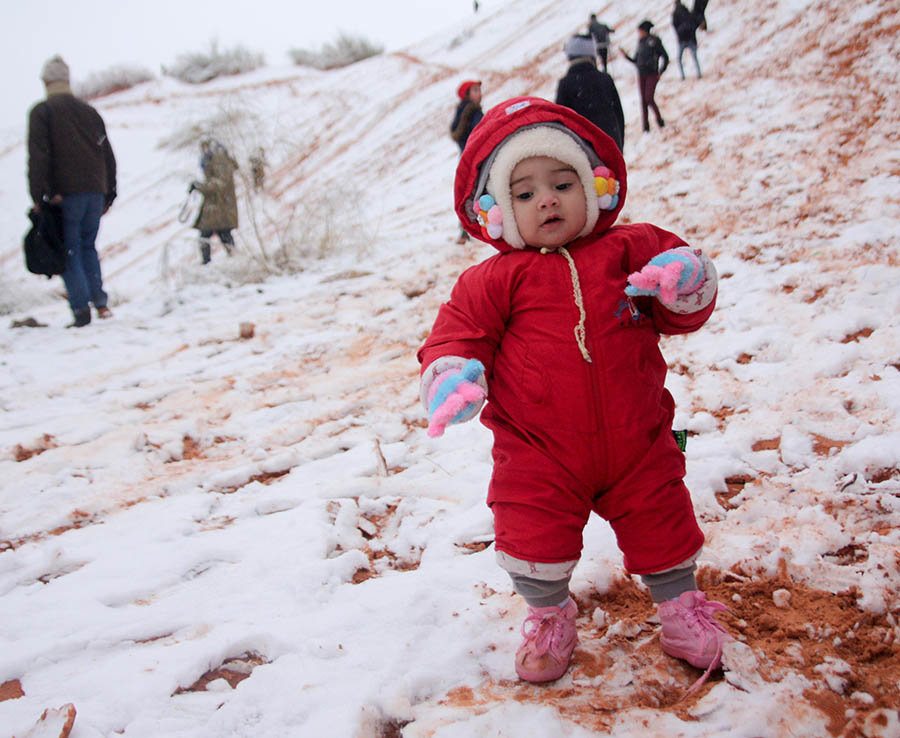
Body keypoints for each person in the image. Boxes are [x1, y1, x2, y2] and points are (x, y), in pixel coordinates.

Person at [417, 97, 729, 689]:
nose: (548, 200)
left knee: (662, 518)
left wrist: (686, 283)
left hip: (638, 438)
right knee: (531, 528)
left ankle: (680, 612)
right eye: (526, 193)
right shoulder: (493, 279)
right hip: (540, 448)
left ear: (596, 189)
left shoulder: (632, 248)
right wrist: (453, 374)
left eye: (563, 182)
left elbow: (683, 303)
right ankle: (548, 613)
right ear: (500, 214)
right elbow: (459, 334)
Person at [27, 55, 117, 328]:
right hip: (94, 191)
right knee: (88, 247)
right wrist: (109, 191)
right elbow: (107, 154)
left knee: (70, 250)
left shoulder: (43, 112)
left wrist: (39, 195)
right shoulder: (89, 112)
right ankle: (100, 303)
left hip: (65, 195)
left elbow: (38, 156)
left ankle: (80, 309)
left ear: (46, 82)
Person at [556, 34, 625, 152]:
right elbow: (619, 116)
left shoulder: (566, 84)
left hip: (583, 151)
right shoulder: (605, 79)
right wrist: (619, 147)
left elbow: (561, 123)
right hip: (610, 146)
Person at [191, 139, 239, 264]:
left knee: (207, 236)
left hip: (219, 207)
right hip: (218, 207)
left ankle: (207, 263)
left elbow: (219, 184)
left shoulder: (219, 160)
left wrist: (200, 187)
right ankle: (233, 259)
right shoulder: (216, 159)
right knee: (223, 234)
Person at [449, 80, 484, 244]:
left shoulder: (460, 111)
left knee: (466, 192)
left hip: (464, 156)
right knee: (478, 190)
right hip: (476, 157)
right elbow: (482, 132)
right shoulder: (474, 111)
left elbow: (456, 133)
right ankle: (480, 227)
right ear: (467, 95)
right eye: (475, 90)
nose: (480, 93)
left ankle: (464, 230)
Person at [621, 20, 669, 133]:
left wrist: (661, 71)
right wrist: (626, 56)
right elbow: (636, 60)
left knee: (649, 98)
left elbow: (665, 57)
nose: (639, 33)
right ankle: (645, 127)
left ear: (645, 31)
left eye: (640, 31)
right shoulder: (640, 42)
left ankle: (660, 121)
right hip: (641, 74)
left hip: (652, 73)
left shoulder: (654, 41)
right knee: (643, 101)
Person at [673, 0, 702, 79]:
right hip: (690, 38)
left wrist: (679, 34)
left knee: (679, 59)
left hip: (682, 40)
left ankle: (682, 76)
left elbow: (675, 26)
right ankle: (699, 74)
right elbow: (693, 22)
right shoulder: (686, 11)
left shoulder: (675, 13)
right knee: (694, 57)